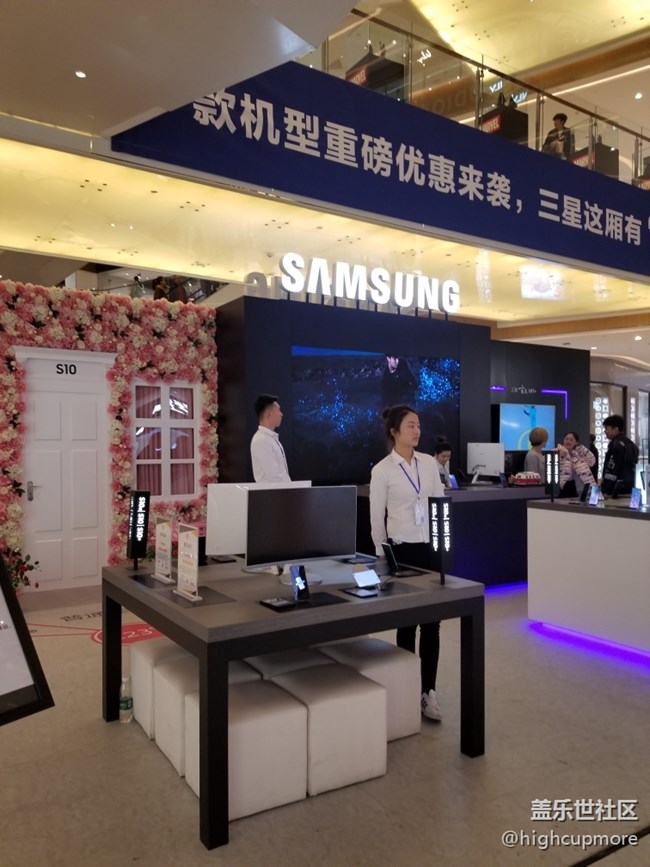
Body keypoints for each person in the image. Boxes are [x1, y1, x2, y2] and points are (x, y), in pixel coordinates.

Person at [369, 404, 445, 721]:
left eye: (418, 425)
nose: (417, 431)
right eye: (410, 425)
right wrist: (380, 553)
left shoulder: (428, 464)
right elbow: (377, 516)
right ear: (394, 431)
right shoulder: (383, 470)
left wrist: (442, 545)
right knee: (407, 622)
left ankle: (429, 691)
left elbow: (439, 502)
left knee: (432, 622)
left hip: (429, 548)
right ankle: (408, 687)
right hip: (401, 551)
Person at [250, 394, 291, 483]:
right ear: (269, 414)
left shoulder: (270, 439)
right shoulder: (261, 440)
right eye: (278, 410)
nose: (281, 414)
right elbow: (274, 477)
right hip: (274, 491)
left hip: (282, 490)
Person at [601, 415, 638, 497]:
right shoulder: (631, 444)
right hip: (630, 485)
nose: (605, 431)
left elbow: (611, 467)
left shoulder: (615, 445)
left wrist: (605, 487)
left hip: (616, 488)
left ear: (616, 429)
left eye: (607, 428)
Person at [557, 431, 595, 498]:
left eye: (571, 440)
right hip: (560, 486)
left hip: (574, 486)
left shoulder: (577, 456)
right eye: (566, 439)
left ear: (576, 442)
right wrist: (561, 456)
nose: (568, 441)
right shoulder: (556, 452)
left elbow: (591, 461)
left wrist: (580, 448)